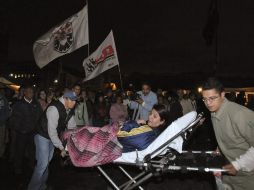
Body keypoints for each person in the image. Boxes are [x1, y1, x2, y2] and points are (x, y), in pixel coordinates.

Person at [201, 77, 254, 190]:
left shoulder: (240, 114)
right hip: (229, 171)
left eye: (212, 98)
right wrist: (220, 147)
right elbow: (231, 136)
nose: (208, 103)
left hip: (248, 176)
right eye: (204, 99)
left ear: (223, 95)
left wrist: (238, 165)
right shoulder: (214, 112)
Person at [28, 91, 77, 190]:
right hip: (42, 135)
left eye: (75, 101)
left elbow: (72, 127)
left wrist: (76, 138)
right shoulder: (54, 108)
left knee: (46, 162)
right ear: (65, 99)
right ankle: (33, 188)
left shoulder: (69, 109)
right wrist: (61, 148)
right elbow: (52, 132)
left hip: (52, 137)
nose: (74, 103)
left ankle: (42, 185)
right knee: (42, 164)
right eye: (72, 100)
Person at [10, 85, 43, 174]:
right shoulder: (18, 104)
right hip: (22, 132)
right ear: (24, 93)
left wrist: (37, 128)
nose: (30, 94)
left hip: (33, 132)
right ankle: (17, 167)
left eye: (32, 92)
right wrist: (20, 129)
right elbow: (13, 119)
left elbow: (40, 116)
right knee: (19, 150)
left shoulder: (36, 104)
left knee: (32, 149)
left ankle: (31, 164)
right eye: (28, 92)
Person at [0, 89, 10, 159]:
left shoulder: (3, 99)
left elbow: (8, 111)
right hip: (2, 122)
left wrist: (3, 120)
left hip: (2, 123)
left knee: (1, 140)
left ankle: (1, 154)